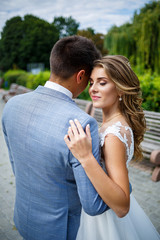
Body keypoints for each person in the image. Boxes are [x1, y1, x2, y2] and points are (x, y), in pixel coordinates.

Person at [1, 35, 109, 240]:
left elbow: (17, 168)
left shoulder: (12, 106)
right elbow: (93, 205)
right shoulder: (81, 123)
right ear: (81, 76)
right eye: (89, 80)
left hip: (24, 219)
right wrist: (122, 186)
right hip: (61, 231)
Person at [64, 55, 160, 240]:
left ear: (121, 89)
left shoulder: (114, 135)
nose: (93, 89)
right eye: (92, 82)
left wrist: (85, 157)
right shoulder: (114, 125)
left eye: (102, 83)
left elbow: (122, 206)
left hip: (106, 220)